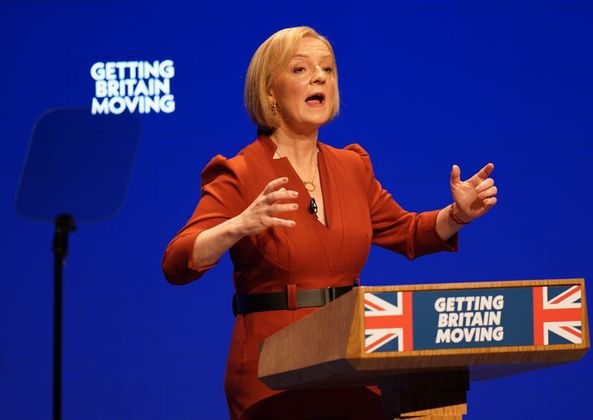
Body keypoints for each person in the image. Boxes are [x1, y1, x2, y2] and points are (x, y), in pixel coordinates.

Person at [162, 26, 497, 420]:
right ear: (270, 92)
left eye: (328, 69)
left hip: (352, 362)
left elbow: (407, 232)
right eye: (301, 69)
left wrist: (457, 214)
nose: (320, 77)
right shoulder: (240, 172)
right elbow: (177, 261)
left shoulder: (352, 167)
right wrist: (239, 223)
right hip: (272, 373)